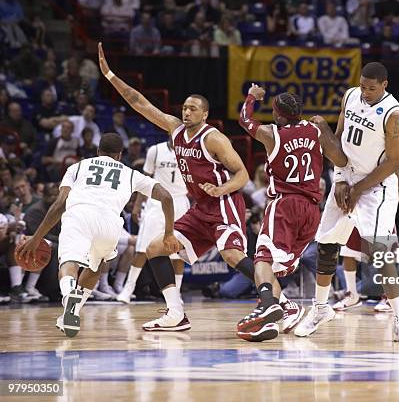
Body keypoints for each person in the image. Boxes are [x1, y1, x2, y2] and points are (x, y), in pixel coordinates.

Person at [98, 43, 298, 331]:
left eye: (193, 108)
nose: (187, 111)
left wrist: (222, 189)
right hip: (199, 209)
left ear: (204, 114)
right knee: (156, 248)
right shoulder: (175, 129)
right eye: (184, 108)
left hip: (224, 205)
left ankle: (283, 302)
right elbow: (139, 102)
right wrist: (111, 76)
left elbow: (241, 174)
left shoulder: (213, 138)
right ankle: (176, 313)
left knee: (231, 255)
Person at [293, 62, 399, 343]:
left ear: (385, 85)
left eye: (372, 88)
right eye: (363, 86)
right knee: (327, 245)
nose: (366, 92)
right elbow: (339, 143)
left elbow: (395, 162)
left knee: (381, 251)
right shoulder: (350, 96)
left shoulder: (395, 113)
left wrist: (358, 189)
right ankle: (320, 309)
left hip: (377, 186)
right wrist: (338, 180)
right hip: (347, 180)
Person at [17, 133, 180, 338]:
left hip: (80, 216)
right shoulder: (130, 173)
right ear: (120, 155)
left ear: (97, 151)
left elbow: (59, 205)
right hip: (110, 224)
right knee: (95, 266)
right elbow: (166, 197)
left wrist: (37, 237)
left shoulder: (76, 167)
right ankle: (73, 311)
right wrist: (169, 233)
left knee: (69, 263)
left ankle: (69, 297)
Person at [235, 85, 348, 341]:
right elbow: (339, 159)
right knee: (274, 267)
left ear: (277, 114)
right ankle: (281, 313)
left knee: (262, 259)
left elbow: (244, 119)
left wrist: (253, 97)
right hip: (311, 211)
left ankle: (268, 305)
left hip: (285, 205)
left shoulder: (272, 134)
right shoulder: (316, 129)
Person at [116, 137, 190, 304]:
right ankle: (128, 289)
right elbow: (146, 181)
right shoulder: (155, 150)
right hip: (156, 203)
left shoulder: (190, 152)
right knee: (142, 248)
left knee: (178, 252)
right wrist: (137, 205)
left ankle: (176, 294)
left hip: (180, 202)